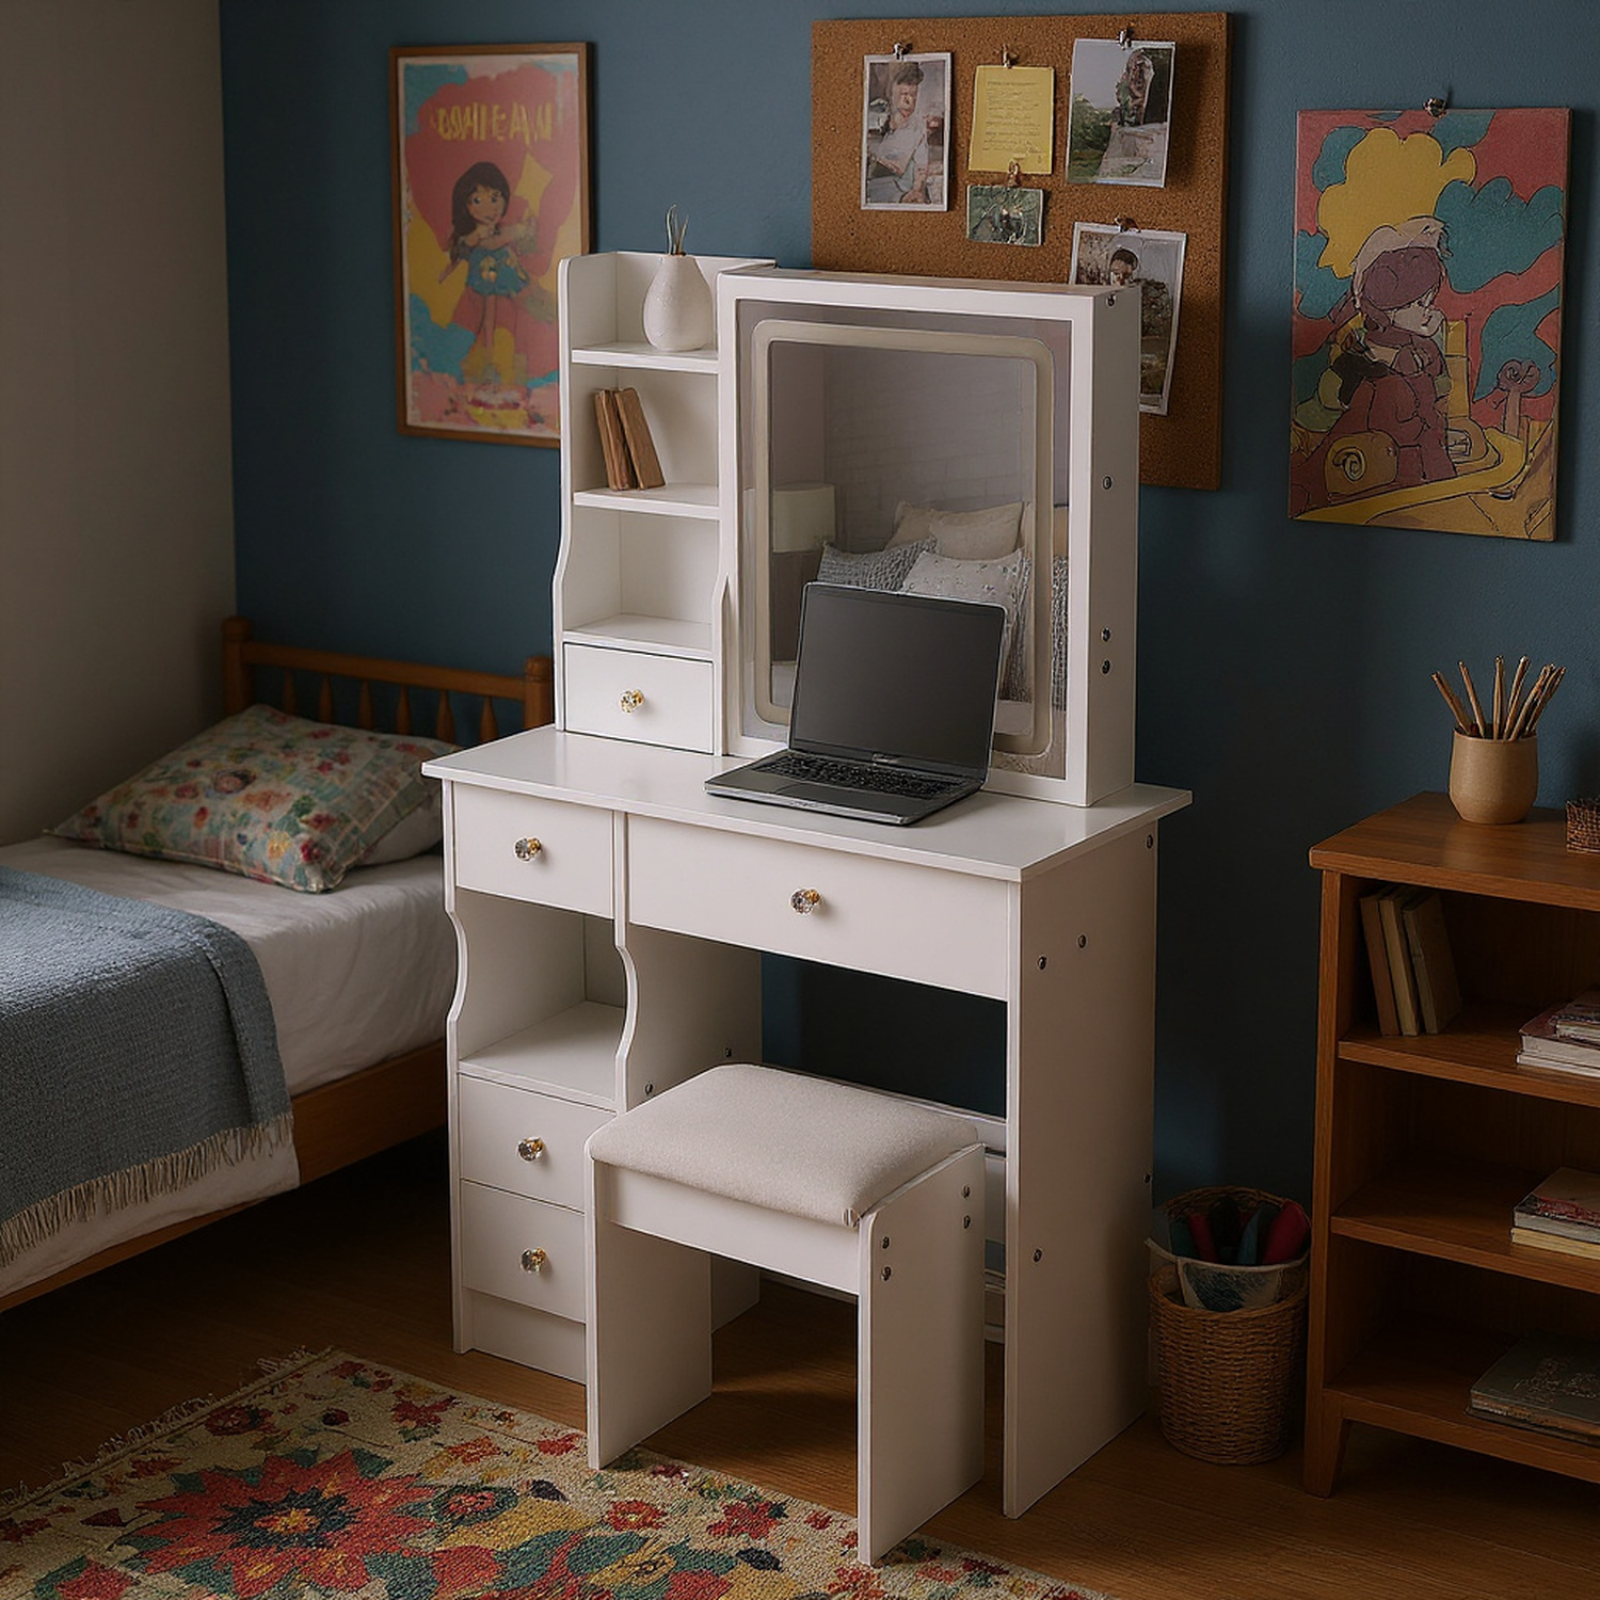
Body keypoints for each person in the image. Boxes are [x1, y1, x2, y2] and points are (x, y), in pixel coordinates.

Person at [440, 161, 534, 379]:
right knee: (487, 318)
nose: (489, 209)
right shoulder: (478, 235)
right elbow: (478, 245)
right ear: (466, 205)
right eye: (477, 201)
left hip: (503, 277)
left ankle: (503, 359)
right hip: (484, 280)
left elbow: (507, 240)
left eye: (494, 199)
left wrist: (519, 232)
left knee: (514, 315)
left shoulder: (498, 231)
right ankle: (487, 358)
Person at [865, 61, 931, 204]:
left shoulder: (917, 129)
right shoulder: (875, 116)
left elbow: (922, 164)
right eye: (904, 94)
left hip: (894, 184)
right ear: (892, 93)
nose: (909, 101)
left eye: (914, 95)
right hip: (874, 180)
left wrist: (917, 189)